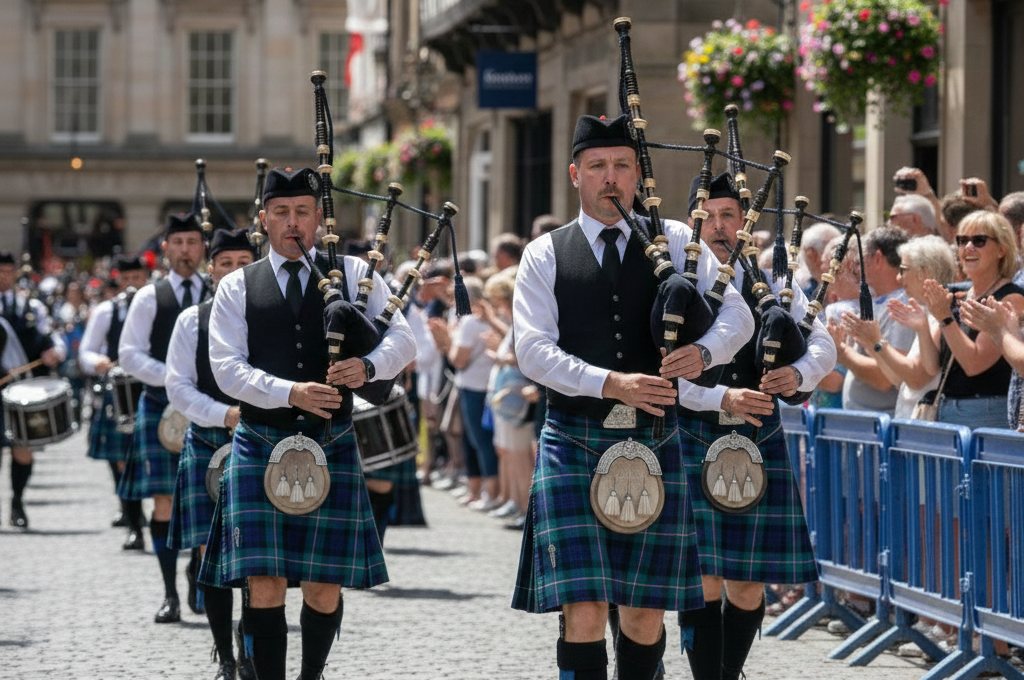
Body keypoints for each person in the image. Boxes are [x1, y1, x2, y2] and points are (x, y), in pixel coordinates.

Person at [511, 114, 754, 679]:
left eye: (622, 165)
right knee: (585, 609)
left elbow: (737, 315)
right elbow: (532, 350)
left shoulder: (677, 241)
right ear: (575, 174)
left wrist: (705, 354)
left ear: (638, 173)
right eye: (597, 165)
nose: (610, 177)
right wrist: (609, 383)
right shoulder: (545, 253)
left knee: (644, 614)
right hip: (573, 439)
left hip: (655, 439)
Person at [200, 167, 416, 680]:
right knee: (264, 580)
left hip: (331, 438)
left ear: (319, 217)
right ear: (263, 220)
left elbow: (403, 340)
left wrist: (368, 367)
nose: (292, 222)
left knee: (324, 583)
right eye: (281, 212)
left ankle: (311, 675)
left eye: (302, 211)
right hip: (261, 438)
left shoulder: (356, 273)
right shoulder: (237, 285)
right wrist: (289, 391)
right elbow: (226, 367)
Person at [674, 173, 836, 680]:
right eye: (708, 217)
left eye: (729, 216)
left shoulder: (771, 284)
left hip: (757, 438)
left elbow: (822, 343)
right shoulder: (675, 282)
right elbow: (662, 373)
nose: (719, 226)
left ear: (746, 222)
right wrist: (721, 396)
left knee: (747, 583)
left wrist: (799, 374)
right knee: (703, 577)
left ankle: (728, 672)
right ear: (692, 223)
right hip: (691, 432)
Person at [165, 228, 256, 680]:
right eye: (226, 264)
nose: (235, 272)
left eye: (244, 264)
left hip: (261, 443)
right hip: (208, 440)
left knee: (257, 559)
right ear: (211, 269)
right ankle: (225, 655)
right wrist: (225, 414)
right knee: (210, 552)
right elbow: (177, 387)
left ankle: (250, 646)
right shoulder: (191, 320)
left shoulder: (273, 316)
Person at [117, 214, 209, 623]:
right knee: (164, 503)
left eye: (192, 242)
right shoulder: (149, 297)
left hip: (207, 409)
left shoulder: (218, 292)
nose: (186, 250)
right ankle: (170, 592)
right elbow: (129, 354)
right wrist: (174, 378)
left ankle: (198, 574)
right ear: (166, 248)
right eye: (179, 243)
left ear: (202, 248)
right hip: (160, 408)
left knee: (209, 500)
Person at [917, 211, 1024, 428]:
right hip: (948, 409)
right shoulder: (958, 295)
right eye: (962, 240)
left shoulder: (1010, 298)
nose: (968, 247)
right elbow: (931, 365)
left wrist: (945, 318)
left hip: (985, 412)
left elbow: (974, 364)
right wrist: (922, 324)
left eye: (979, 240)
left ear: (1002, 249)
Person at [78, 254, 151, 549]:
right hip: (120, 392)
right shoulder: (107, 311)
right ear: (119, 280)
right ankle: (134, 526)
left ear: (145, 278)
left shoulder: (158, 304)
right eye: (127, 279)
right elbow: (86, 351)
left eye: (137, 278)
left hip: (155, 388)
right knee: (124, 461)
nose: (132, 284)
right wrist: (98, 362)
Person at [841, 236, 957, 419]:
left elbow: (916, 378)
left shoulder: (942, 314)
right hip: (908, 420)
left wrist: (878, 342)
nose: (899, 277)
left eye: (903, 270)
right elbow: (898, 379)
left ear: (924, 272)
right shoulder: (925, 312)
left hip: (924, 424)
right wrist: (872, 344)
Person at [0, 251, 66, 529]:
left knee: (22, 449)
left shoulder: (32, 307)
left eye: (8, 272)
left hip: (22, 390)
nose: (4, 277)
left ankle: (17, 501)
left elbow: (53, 339)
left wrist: (55, 352)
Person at [833, 226, 916, 416]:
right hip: (864, 423)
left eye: (860, 261)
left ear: (877, 258)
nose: (856, 269)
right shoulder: (879, 301)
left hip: (881, 423)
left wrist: (842, 353)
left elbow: (885, 379)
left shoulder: (899, 305)